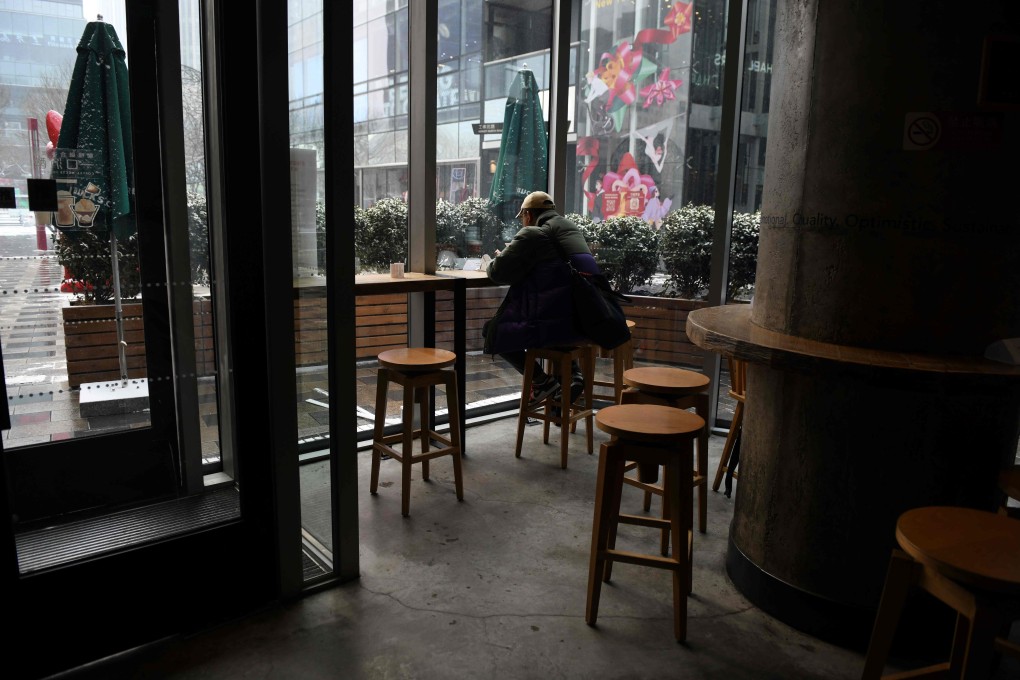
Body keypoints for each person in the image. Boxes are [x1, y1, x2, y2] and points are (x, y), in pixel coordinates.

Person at [483, 191, 602, 407]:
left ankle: (541, 382)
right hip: (584, 321)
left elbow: (498, 272)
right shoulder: (571, 230)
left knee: (493, 330)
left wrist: (499, 257)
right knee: (556, 319)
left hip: (552, 325)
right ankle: (573, 375)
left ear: (528, 215)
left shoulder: (532, 234)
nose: (522, 222)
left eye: (522, 218)